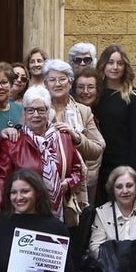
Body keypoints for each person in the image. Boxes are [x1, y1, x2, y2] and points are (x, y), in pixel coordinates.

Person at [0, 86, 83, 224]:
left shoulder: (63, 137)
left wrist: (69, 183)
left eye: (40, 110)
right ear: (24, 112)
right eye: (30, 110)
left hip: (59, 213)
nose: (35, 115)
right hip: (25, 212)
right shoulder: (13, 142)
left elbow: (77, 170)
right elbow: (3, 177)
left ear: (48, 111)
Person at [44, 58, 105, 204]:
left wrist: (77, 137)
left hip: (75, 187)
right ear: (45, 84)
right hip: (43, 185)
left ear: (70, 82)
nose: (57, 84)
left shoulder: (83, 111)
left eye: (62, 79)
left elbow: (97, 149)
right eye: (52, 80)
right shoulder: (36, 109)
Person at [94, 44, 136, 201]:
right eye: (110, 62)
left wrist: (131, 169)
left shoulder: (133, 96)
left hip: (122, 163)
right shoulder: (95, 93)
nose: (115, 67)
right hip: (97, 162)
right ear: (103, 64)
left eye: (120, 63)